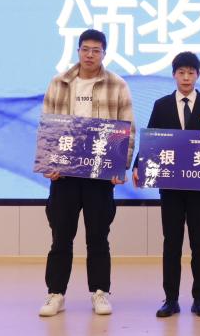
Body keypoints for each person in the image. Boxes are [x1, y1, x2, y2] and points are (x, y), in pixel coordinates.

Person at [38, 29, 134, 318]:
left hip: (99, 176)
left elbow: (127, 128)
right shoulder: (59, 82)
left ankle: (100, 292)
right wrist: (48, 162)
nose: (90, 54)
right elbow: (47, 125)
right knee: (61, 236)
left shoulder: (117, 84)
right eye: (85, 49)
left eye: (96, 50)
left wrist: (120, 166)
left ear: (104, 53)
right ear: (78, 50)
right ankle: (56, 293)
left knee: (98, 237)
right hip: (65, 175)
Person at [133, 52, 200, 318]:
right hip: (171, 187)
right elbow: (151, 140)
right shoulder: (162, 105)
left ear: (198, 75)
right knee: (171, 242)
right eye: (181, 72)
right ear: (174, 75)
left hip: (199, 188)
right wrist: (138, 165)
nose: (186, 77)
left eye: (191, 73)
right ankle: (171, 299)